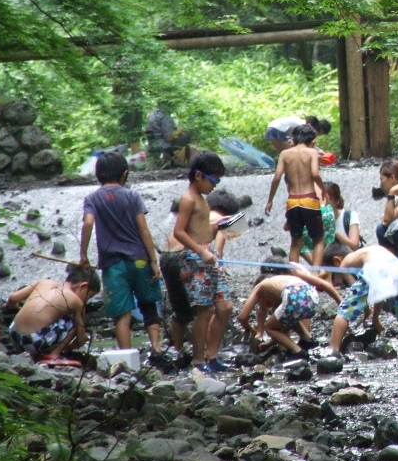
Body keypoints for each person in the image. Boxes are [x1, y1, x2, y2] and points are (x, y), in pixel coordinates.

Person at [78, 151, 164, 362]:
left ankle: (127, 362)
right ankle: (156, 349)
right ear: (124, 174)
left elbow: (88, 223)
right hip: (140, 259)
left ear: (98, 175)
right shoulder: (132, 196)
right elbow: (144, 230)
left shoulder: (92, 198)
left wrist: (83, 255)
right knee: (148, 304)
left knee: (122, 315)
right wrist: (154, 261)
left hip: (113, 265)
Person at [171, 150, 234, 374]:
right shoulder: (188, 200)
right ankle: (198, 360)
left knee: (225, 306)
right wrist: (200, 250)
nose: (215, 185)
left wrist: (219, 227)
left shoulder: (202, 199)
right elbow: (179, 232)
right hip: (196, 257)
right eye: (213, 180)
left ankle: (212, 354)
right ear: (199, 176)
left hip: (209, 254)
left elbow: (202, 228)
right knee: (205, 310)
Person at [329, 245, 398, 354]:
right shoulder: (368, 252)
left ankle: (333, 350)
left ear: (337, 261)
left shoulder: (345, 262)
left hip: (378, 268)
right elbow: (378, 293)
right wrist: (374, 318)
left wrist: (366, 310)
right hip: (397, 267)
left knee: (344, 311)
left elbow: (357, 293)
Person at [237, 268, 340, 360]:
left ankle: (298, 352)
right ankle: (307, 339)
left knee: (269, 327)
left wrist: (251, 330)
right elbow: (282, 328)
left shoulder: (260, 287)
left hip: (293, 294)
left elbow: (242, 317)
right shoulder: (278, 286)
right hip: (312, 295)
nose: (267, 306)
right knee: (287, 317)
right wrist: (268, 343)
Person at [6, 265, 101, 362]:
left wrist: (17, 307)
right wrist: (68, 347)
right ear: (83, 286)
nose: (87, 301)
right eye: (89, 296)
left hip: (14, 335)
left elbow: (12, 298)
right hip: (33, 343)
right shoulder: (76, 302)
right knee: (74, 323)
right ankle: (54, 354)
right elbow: (81, 340)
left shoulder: (44, 282)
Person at [265, 124, 328, 267]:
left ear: (294, 139)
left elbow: (276, 178)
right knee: (318, 239)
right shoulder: (311, 152)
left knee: (295, 242)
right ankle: (317, 273)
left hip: (292, 202)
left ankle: (294, 275)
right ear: (312, 140)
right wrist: (323, 190)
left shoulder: (284, 154)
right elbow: (315, 174)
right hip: (310, 200)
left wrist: (270, 200)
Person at [265, 114, 330, 154]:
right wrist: (320, 152)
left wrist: (319, 151)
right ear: (321, 131)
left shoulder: (305, 124)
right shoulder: (307, 128)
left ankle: (287, 171)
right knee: (290, 153)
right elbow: (306, 144)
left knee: (284, 153)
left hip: (272, 127)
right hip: (277, 129)